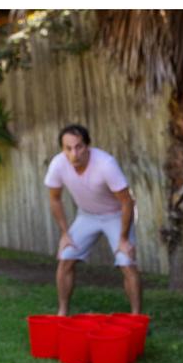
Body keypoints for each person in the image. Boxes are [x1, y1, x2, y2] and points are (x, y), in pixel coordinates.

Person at [44, 124, 142, 315]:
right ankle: (62, 313)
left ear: (88, 146)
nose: (74, 153)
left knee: (126, 261)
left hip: (116, 215)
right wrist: (64, 233)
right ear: (62, 149)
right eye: (68, 148)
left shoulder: (106, 164)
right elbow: (55, 199)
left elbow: (127, 202)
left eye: (79, 147)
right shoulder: (58, 164)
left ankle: (136, 317)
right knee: (66, 257)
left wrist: (123, 239)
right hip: (87, 216)